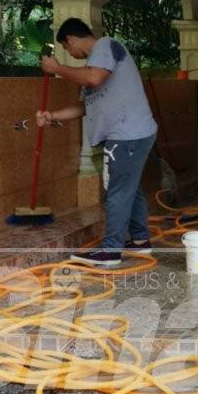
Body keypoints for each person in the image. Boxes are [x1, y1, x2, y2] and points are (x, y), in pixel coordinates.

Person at [38, 18, 157, 267]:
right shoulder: (95, 65)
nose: (70, 53)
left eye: (67, 48)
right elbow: (85, 105)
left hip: (127, 135)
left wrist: (58, 68)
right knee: (129, 188)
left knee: (116, 192)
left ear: (70, 39)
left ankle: (110, 251)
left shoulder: (105, 45)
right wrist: (52, 116)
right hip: (130, 134)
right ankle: (140, 240)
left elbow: (93, 79)